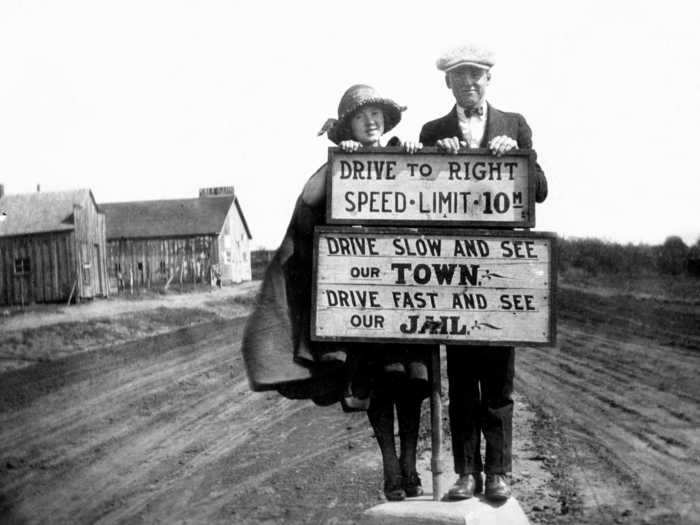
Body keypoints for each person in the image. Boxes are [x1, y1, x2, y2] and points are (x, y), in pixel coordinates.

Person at [242, 84, 428, 501]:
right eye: (361, 116)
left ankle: (413, 466)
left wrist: (417, 155)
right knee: (381, 382)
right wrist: (339, 162)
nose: (371, 121)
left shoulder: (407, 154)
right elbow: (307, 205)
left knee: (413, 382)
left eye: (377, 114)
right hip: (363, 294)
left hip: (407, 289)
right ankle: (391, 471)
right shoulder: (338, 167)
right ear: (348, 126)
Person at [419, 43, 548, 502]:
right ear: (448, 84)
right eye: (460, 77)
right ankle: (466, 473)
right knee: (462, 383)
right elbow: (417, 192)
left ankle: (498, 472)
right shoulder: (433, 129)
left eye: (476, 76)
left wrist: (519, 155)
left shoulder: (514, 124)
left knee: (499, 383)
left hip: (500, 273)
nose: (468, 84)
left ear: (487, 81)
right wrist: (437, 155)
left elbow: (541, 189)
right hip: (452, 277)